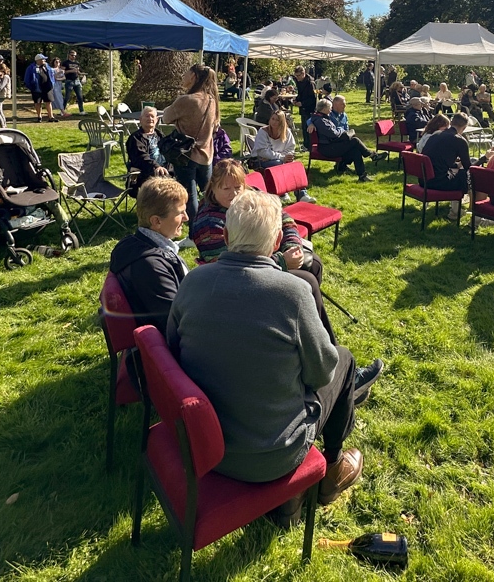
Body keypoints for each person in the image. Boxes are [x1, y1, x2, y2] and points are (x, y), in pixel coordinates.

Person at [167, 186, 368, 504]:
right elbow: (322, 374)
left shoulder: (192, 282)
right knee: (344, 359)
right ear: (277, 243)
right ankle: (332, 467)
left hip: (204, 444)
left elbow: (173, 349)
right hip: (274, 456)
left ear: (227, 237)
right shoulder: (294, 292)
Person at [109, 177, 189, 333]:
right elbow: (176, 322)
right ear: (156, 221)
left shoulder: (130, 245)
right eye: (180, 213)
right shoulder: (150, 266)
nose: (186, 218)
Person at [162, 63, 219, 245]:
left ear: (194, 76)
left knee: (190, 197)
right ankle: (216, 227)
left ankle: (194, 236)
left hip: (185, 155)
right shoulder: (212, 100)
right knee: (210, 196)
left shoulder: (186, 100)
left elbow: (166, 117)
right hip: (206, 154)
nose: (183, 76)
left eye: (186, 72)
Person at [310, 99, 387, 182]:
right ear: (324, 109)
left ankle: (362, 175)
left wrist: (340, 131)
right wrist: (341, 130)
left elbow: (334, 133)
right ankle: (372, 155)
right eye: (329, 108)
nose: (330, 110)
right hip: (327, 148)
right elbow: (333, 134)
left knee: (355, 151)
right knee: (355, 141)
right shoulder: (320, 121)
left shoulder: (322, 118)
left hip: (332, 144)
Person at [252, 110, 315, 203]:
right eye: (272, 119)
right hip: (260, 160)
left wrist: (287, 157)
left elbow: (290, 148)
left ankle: (302, 194)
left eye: (277, 120)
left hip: (280, 159)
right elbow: (262, 151)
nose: (274, 122)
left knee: (294, 165)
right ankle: (282, 192)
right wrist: (281, 157)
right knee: (278, 163)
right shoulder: (263, 132)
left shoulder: (287, 132)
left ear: (282, 122)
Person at [422, 111, 472, 220]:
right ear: (464, 128)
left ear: (451, 122)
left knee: (457, 172)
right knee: (466, 175)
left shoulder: (436, 134)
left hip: (424, 179)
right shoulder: (460, 140)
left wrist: (456, 165)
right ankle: (460, 212)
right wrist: (484, 158)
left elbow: (438, 159)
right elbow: (469, 167)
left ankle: (457, 209)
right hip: (438, 182)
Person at [126, 106, 172, 195]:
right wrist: (156, 167)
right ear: (140, 119)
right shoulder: (135, 138)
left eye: (152, 116)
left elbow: (169, 154)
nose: (150, 119)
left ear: (157, 120)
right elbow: (141, 158)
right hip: (146, 172)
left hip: (165, 171)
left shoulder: (160, 136)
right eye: (147, 116)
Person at [24, 53, 57, 122]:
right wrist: (31, 87)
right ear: (38, 60)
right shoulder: (31, 68)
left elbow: (52, 74)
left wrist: (52, 84)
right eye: (43, 59)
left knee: (48, 102)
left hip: (47, 88)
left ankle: (51, 117)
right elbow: (27, 79)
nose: (44, 60)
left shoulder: (47, 66)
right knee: (37, 102)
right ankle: (39, 117)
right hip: (36, 88)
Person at [293, 66, 317, 151]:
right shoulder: (299, 82)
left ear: (303, 73)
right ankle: (306, 144)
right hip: (303, 109)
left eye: (298, 75)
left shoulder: (310, 83)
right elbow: (300, 94)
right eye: (296, 76)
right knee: (304, 127)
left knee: (308, 128)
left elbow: (313, 98)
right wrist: (296, 100)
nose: (297, 77)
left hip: (310, 109)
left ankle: (310, 146)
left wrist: (302, 103)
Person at [62, 50, 85, 114]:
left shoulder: (77, 63)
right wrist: (70, 71)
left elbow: (77, 71)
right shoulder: (65, 63)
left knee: (80, 96)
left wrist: (81, 74)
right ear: (69, 55)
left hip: (77, 80)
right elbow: (62, 72)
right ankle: (63, 111)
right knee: (67, 97)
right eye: (72, 55)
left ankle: (81, 111)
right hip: (69, 81)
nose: (73, 57)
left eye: (75, 56)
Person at [0, 59, 11, 128]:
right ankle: (4, 125)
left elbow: (0, 87)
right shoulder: (1, 76)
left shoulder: (5, 77)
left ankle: (2, 125)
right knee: (0, 111)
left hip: (1, 95)